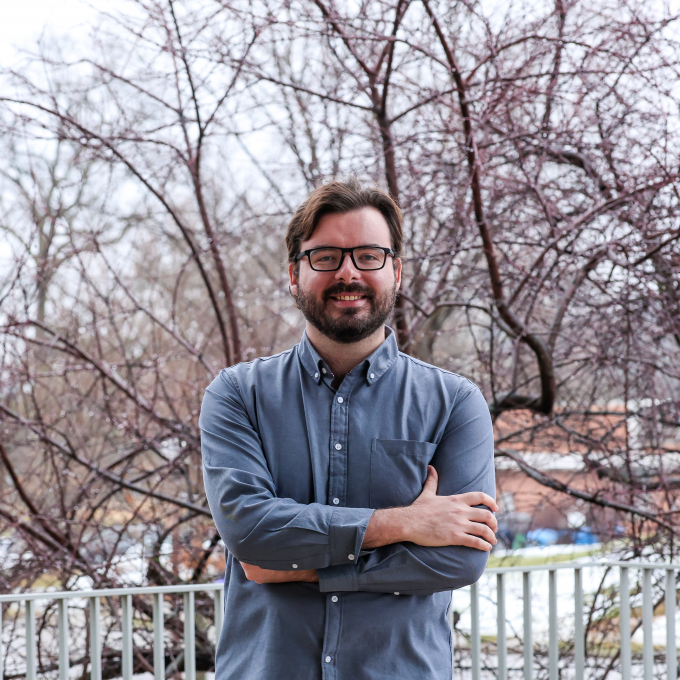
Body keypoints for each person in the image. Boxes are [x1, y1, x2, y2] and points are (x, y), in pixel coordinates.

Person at [200, 178, 498, 680]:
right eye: (326, 257)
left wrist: (303, 562)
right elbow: (252, 533)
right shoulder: (237, 395)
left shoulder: (455, 404)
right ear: (294, 274)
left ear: (396, 272)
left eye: (368, 256)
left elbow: (459, 560)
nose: (348, 273)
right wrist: (403, 524)